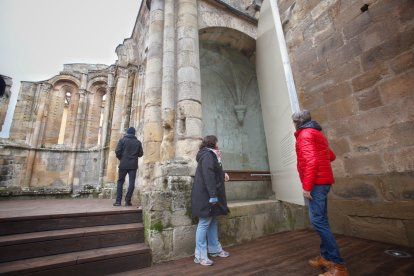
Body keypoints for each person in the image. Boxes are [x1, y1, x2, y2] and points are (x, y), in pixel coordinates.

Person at [292, 110, 349, 276]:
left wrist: (307, 186)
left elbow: (311, 161)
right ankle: (325, 257)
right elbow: (331, 156)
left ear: (297, 122)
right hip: (323, 182)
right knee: (322, 220)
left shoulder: (304, 135)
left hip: (316, 184)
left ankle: (338, 266)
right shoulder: (317, 134)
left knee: (317, 221)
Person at [191, 135, 230, 266]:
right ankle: (200, 255)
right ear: (213, 143)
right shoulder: (208, 155)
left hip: (209, 195)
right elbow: (208, 176)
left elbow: (214, 170)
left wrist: (223, 173)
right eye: (217, 142)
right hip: (206, 196)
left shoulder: (210, 155)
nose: (218, 144)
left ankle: (214, 249)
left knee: (213, 220)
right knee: (204, 222)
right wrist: (213, 195)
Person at [113, 127, 143, 207]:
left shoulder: (122, 140)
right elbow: (141, 154)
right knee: (131, 183)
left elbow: (117, 151)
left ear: (127, 133)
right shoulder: (138, 142)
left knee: (120, 182)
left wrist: (121, 158)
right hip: (133, 165)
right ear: (134, 133)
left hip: (123, 164)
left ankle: (118, 201)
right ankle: (127, 201)